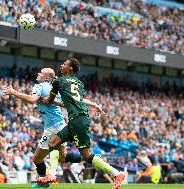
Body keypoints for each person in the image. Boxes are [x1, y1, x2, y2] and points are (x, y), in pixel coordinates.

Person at [40, 58, 125, 189]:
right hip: (77, 119)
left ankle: (116, 174)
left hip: (78, 119)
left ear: (70, 69)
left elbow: (51, 100)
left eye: (65, 64)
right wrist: (94, 104)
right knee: (53, 143)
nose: (62, 65)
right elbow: (76, 100)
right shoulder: (79, 83)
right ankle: (51, 175)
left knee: (86, 155)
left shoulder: (59, 81)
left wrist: (46, 100)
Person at [5, 68, 82, 188]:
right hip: (60, 125)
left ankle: (44, 181)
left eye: (41, 73)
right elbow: (64, 104)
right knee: (62, 158)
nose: (38, 74)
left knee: (37, 159)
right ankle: (89, 157)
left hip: (53, 128)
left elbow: (32, 100)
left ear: (47, 78)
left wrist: (14, 93)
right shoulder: (56, 89)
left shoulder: (40, 86)